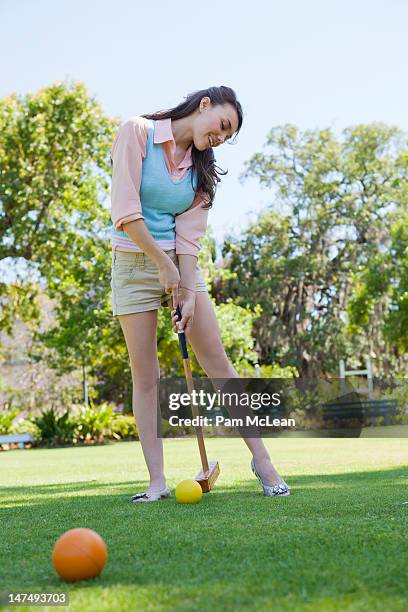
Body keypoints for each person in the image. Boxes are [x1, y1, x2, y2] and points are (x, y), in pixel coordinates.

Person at [110, 86, 290, 502]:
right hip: (134, 263)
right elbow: (125, 211)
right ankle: (156, 482)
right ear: (204, 104)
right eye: (223, 125)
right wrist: (162, 265)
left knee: (218, 364)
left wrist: (186, 291)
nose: (222, 137)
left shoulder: (202, 173)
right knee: (146, 374)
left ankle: (263, 462)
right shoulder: (137, 132)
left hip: (179, 266)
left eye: (229, 137)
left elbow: (189, 240)